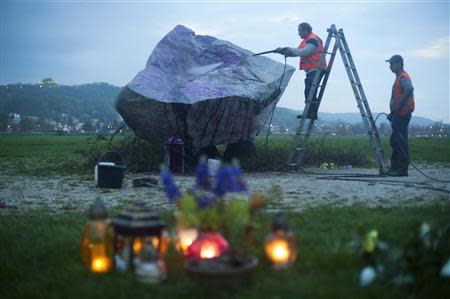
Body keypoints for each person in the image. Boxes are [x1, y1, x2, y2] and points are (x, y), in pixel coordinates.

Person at [275, 22, 327, 120]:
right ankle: (311, 113)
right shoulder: (306, 41)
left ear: (305, 31)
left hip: (317, 68)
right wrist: (285, 52)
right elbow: (297, 52)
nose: (298, 33)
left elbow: (304, 52)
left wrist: (287, 49)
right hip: (313, 69)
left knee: (310, 91)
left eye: (299, 31)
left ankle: (311, 113)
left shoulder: (312, 40)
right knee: (310, 91)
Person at [385, 55, 415, 177]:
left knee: (400, 141)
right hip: (398, 114)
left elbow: (409, 89)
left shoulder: (403, 78)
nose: (390, 66)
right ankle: (395, 168)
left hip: (402, 115)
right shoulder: (399, 78)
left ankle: (402, 170)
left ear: (399, 64)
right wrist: (392, 112)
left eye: (391, 63)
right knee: (395, 140)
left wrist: (397, 106)